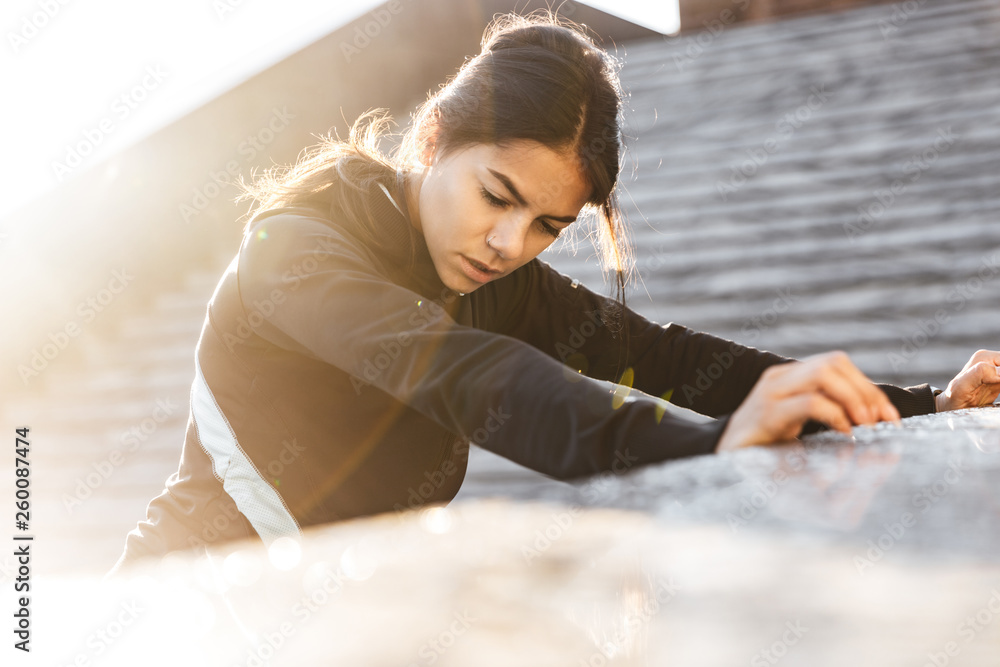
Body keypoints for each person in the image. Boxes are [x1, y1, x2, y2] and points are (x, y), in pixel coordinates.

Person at [108, 11, 1000, 575]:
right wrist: (715, 447)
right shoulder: (294, 250)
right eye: (498, 196)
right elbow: (466, 373)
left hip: (339, 610)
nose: (510, 245)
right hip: (190, 601)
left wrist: (915, 404)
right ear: (432, 139)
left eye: (546, 224)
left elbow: (665, 356)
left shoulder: (495, 281)